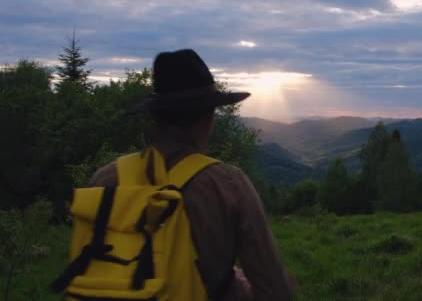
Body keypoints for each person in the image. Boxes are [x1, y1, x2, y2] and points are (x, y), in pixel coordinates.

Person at [88, 49, 295, 300]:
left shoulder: (103, 180)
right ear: (208, 118)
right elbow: (274, 290)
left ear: (155, 116)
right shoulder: (228, 184)